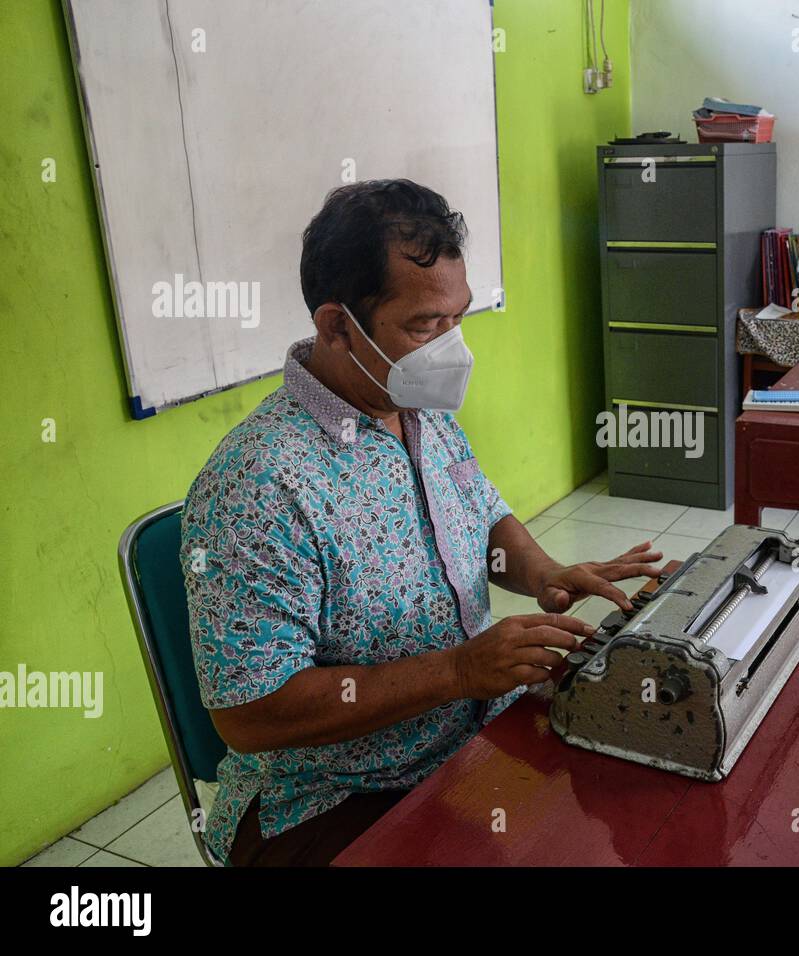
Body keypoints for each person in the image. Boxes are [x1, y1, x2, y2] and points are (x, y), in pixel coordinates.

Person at [181, 179, 662, 865]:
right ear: (335, 326)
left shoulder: (416, 407)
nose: (451, 347)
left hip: (467, 736)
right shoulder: (259, 487)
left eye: (457, 317)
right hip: (333, 797)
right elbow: (249, 713)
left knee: (638, 796)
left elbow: (483, 512)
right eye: (424, 325)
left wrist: (544, 572)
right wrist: (458, 672)